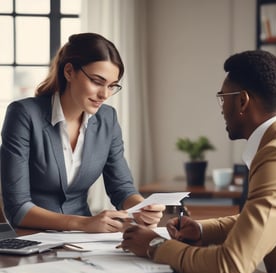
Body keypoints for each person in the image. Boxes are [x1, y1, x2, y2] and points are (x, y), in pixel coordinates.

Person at [120, 50, 276, 273]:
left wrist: (155, 246)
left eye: (222, 98)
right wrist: (200, 230)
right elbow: (259, 220)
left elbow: (230, 266)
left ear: (242, 101)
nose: (221, 109)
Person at [0, 32, 164, 232]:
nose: (104, 94)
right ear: (69, 72)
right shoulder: (24, 114)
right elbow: (18, 208)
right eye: (97, 81)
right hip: (32, 238)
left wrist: (141, 207)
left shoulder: (107, 119)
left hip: (84, 241)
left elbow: (122, 188)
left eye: (112, 86)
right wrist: (84, 223)